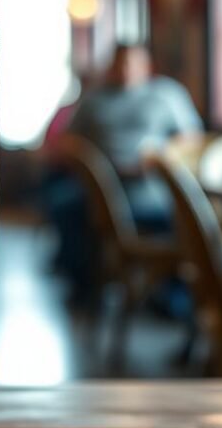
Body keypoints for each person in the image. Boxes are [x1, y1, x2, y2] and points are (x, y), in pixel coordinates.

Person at [43, 44, 203, 302]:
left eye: (132, 63)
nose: (126, 70)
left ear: (147, 66)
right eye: (120, 63)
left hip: (154, 190)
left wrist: (158, 158)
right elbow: (66, 141)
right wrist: (90, 163)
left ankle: (172, 296)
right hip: (98, 189)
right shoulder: (93, 99)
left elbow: (192, 139)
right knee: (63, 204)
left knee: (194, 221)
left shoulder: (166, 94)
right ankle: (85, 287)